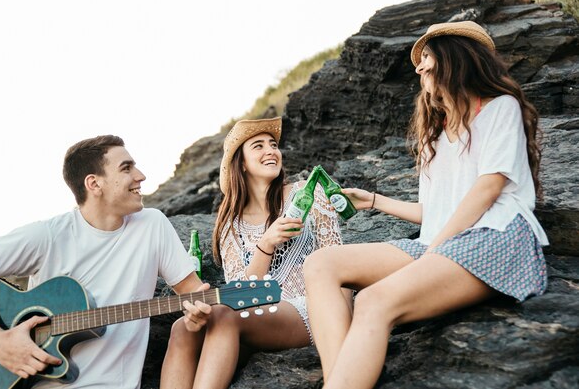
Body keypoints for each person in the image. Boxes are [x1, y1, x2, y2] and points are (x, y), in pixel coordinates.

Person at [302, 21, 549, 389]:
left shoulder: (501, 108)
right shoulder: (436, 134)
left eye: (427, 57)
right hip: (438, 243)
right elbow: (434, 213)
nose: (418, 68)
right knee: (321, 263)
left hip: (492, 237)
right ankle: (341, 379)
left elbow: (487, 189)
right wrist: (373, 201)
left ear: (454, 58)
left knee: (372, 300)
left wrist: (435, 250)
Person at [0, 135, 211, 389]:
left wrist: (196, 318)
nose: (140, 175)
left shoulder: (152, 225)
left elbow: (194, 294)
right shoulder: (48, 236)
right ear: (94, 183)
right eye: (126, 168)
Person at [160, 117, 349, 389]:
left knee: (223, 314)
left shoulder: (308, 192)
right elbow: (240, 292)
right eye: (258, 146)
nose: (270, 151)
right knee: (183, 327)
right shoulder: (230, 225)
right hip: (258, 314)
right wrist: (266, 244)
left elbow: (339, 264)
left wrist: (341, 330)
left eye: (273, 145)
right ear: (243, 164)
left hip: (311, 308)